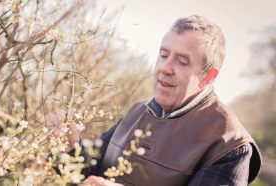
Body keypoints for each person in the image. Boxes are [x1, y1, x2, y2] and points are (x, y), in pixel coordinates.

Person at [53, 15, 262, 186]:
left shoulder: (229, 144)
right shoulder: (137, 110)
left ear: (207, 77)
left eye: (181, 61)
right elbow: (89, 173)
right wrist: (70, 147)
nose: (164, 68)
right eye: (163, 55)